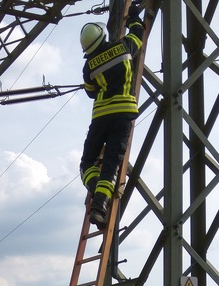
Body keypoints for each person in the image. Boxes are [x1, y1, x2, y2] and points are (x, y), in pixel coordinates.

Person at [79, 2, 145, 228]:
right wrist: (134, 15)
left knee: (87, 163)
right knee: (111, 165)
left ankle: (97, 193)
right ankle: (100, 205)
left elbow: (90, 93)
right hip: (123, 115)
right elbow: (138, 34)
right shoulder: (124, 47)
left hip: (100, 118)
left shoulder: (88, 67)